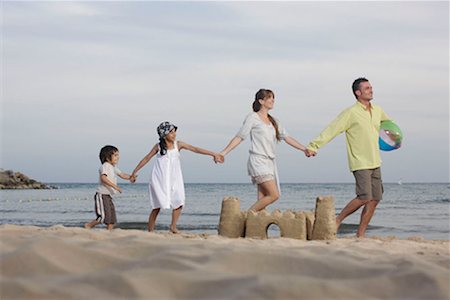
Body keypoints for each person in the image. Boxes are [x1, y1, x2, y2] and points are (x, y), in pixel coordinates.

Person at [306, 77, 391, 237]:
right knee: (364, 197)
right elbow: (332, 129)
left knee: (375, 199)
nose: (371, 90)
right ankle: (338, 220)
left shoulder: (378, 110)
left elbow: (389, 126)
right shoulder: (350, 112)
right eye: (367, 88)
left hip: (375, 160)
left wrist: (395, 140)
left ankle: (360, 234)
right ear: (358, 93)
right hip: (360, 161)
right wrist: (314, 146)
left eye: (371, 87)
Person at [219, 89, 311, 212]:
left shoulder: (274, 121)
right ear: (261, 101)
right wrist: (223, 152)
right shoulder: (252, 117)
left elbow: (287, 137)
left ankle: (253, 227)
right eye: (269, 97)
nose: (273, 100)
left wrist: (304, 149)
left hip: (270, 163)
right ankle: (244, 218)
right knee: (274, 195)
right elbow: (240, 137)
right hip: (258, 160)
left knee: (263, 201)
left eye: (273, 98)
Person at [130, 121, 223, 233]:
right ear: (164, 135)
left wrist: (213, 154)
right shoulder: (158, 147)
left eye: (174, 132)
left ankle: (173, 227)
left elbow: (195, 149)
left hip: (175, 179)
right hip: (160, 179)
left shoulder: (178, 145)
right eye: (171, 132)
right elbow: (146, 159)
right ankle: (150, 231)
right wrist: (134, 172)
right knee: (157, 206)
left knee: (179, 201)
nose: (174, 134)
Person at [85, 145, 133, 230]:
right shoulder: (105, 166)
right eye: (115, 155)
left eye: (118, 155)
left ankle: (108, 234)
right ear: (107, 157)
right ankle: (88, 226)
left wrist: (131, 177)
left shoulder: (113, 167)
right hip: (101, 195)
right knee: (102, 217)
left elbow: (122, 175)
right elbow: (103, 178)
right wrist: (115, 187)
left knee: (111, 219)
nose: (118, 157)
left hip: (108, 196)